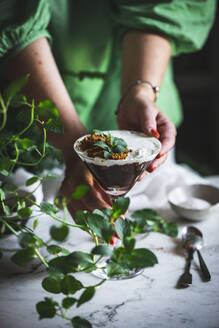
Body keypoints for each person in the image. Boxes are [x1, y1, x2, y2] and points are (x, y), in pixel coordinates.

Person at [0, 0, 216, 217]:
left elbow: (164, 8)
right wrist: (75, 152)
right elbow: (12, 18)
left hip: (140, 118)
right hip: (34, 119)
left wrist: (139, 93)